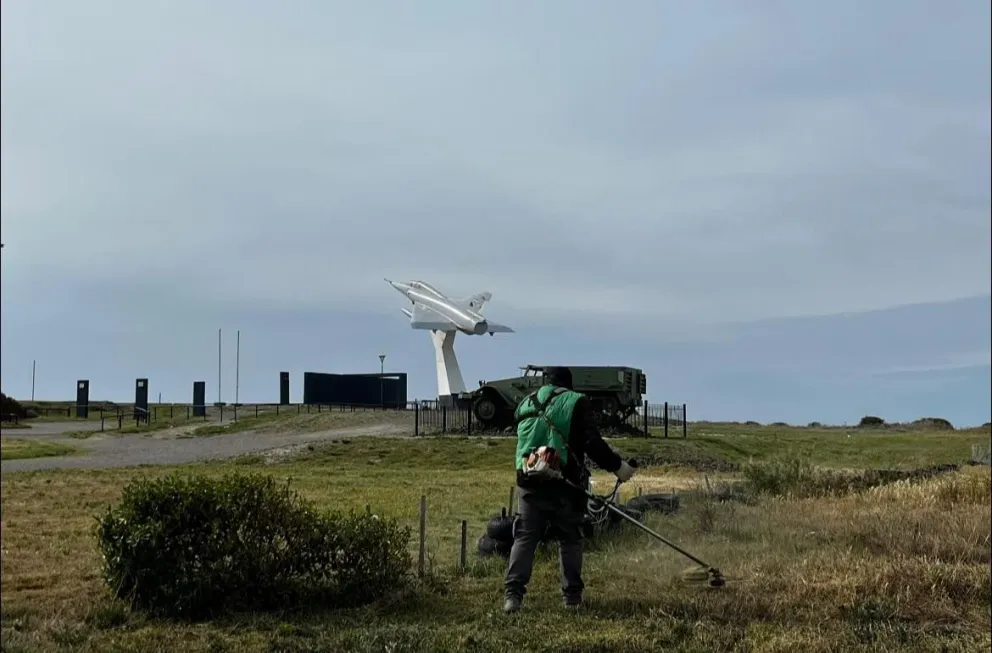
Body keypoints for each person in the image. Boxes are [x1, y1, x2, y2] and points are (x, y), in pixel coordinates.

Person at [502, 366, 636, 613]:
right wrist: (618, 467)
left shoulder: (526, 402)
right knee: (570, 537)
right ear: (569, 385)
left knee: (525, 537)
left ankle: (513, 597)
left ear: (546, 384)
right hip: (565, 482)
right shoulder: (575, 401)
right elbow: (592, 443)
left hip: (528, 478)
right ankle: (572, 598)